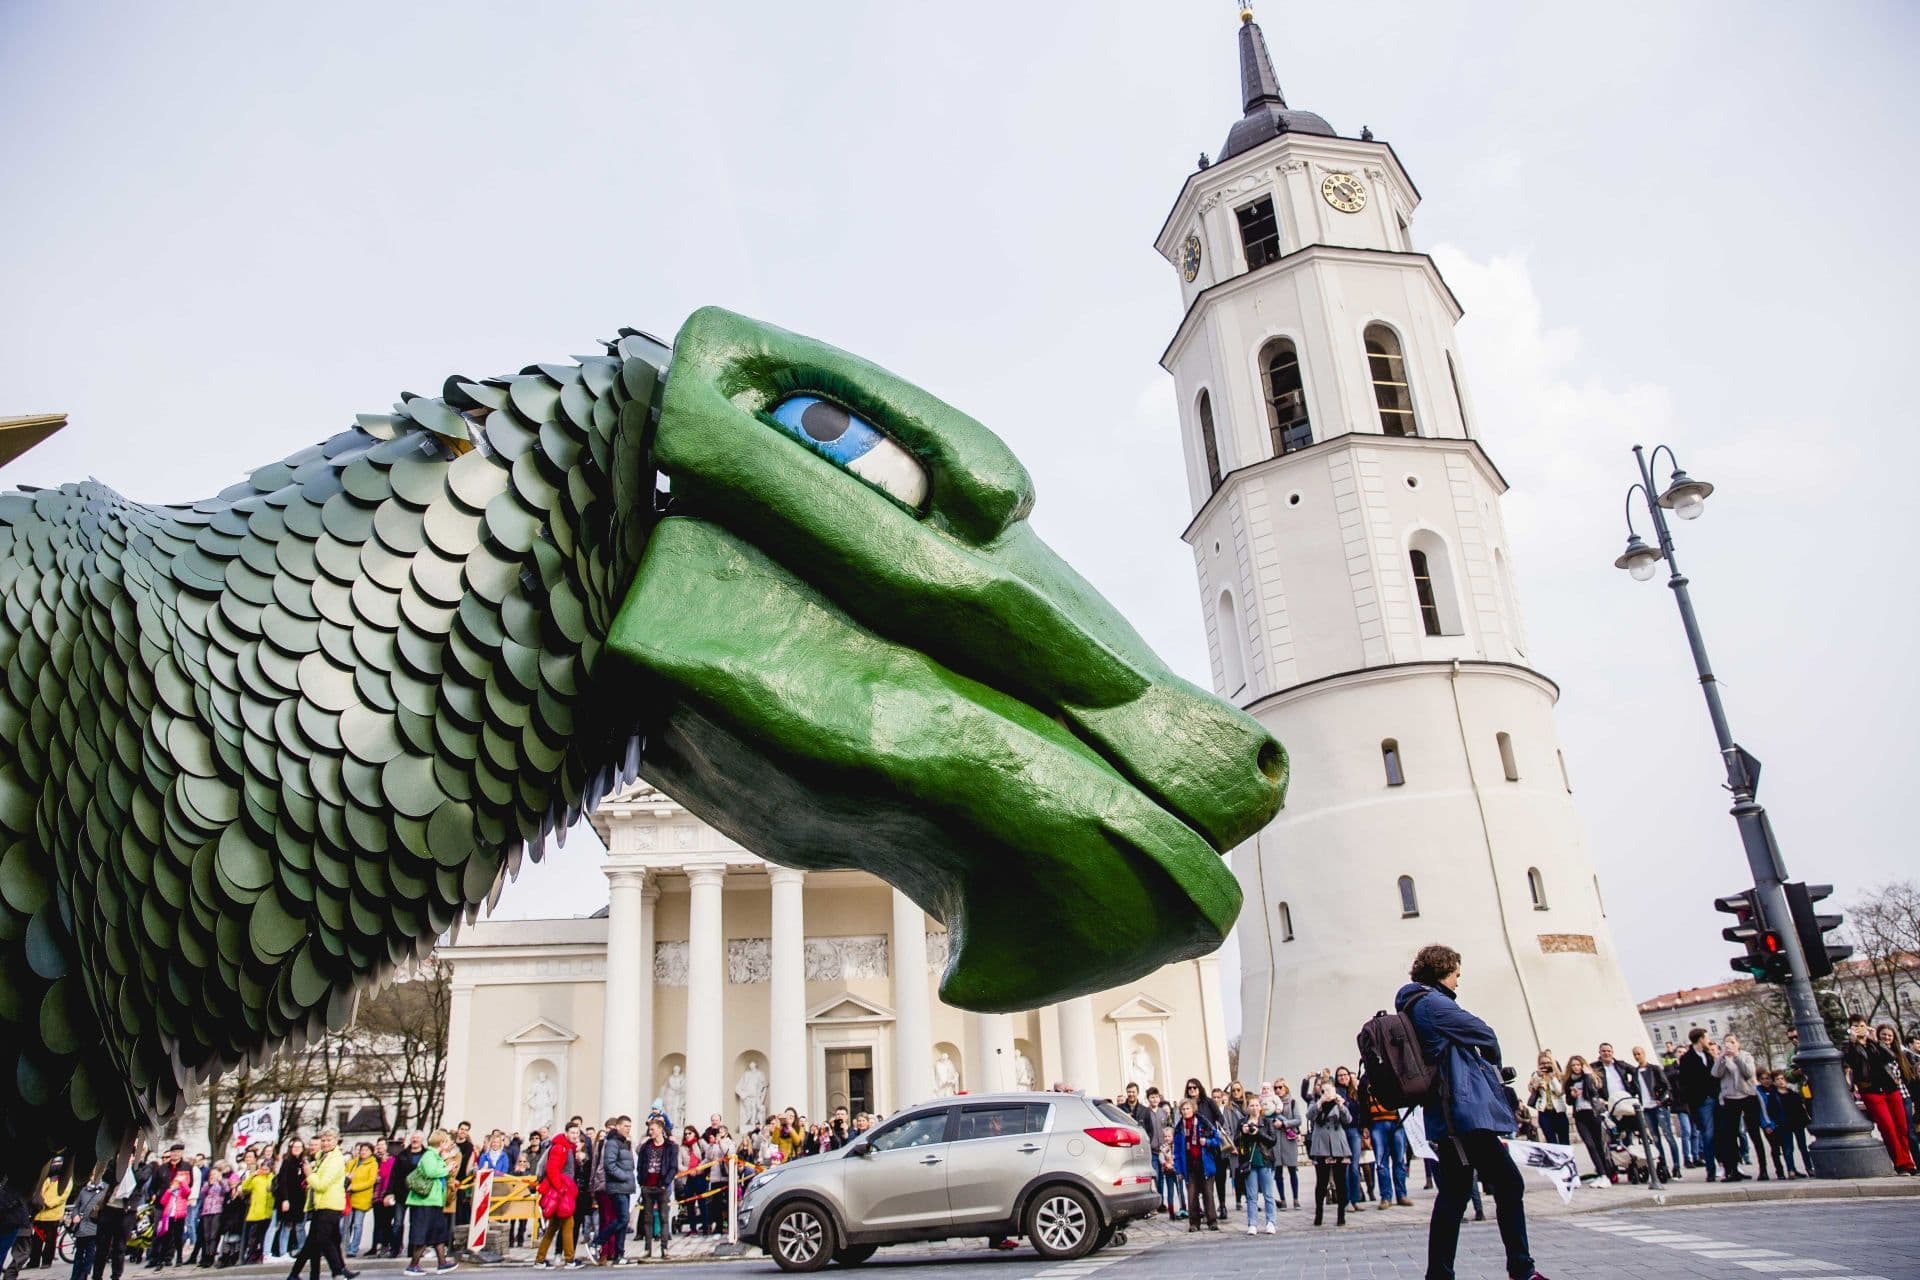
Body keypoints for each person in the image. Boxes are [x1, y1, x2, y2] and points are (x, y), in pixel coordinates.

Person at [1396, 943, 1546, 1280]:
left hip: (1444, 1114)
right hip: (1460, 1114)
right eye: (1456, 975)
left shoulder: (1411, 1003)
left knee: (1455, 1193)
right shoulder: (1433, 1004)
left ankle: (1440, 1274)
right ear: (1443, 971)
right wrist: (1494, 1067)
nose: (1458, 982)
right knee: (1508, 1184)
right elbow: (1485, 1033)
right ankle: (1521, 1269)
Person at [1842, 1018, 1916, 1174]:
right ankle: (1901, 1164)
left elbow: (1890, 1056)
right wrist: (1853, 1042)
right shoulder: (1849, 1046)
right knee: (1888, 1127)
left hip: (1890, 1088)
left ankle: (1908, 1162)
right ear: (1850, 1029)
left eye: (1862, 1026)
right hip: (1871, 1090)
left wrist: (1875, 1039)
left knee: (1902, 1127)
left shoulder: (1873, 1043)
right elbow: (1850, 1061)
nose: (1860, 1029)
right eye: (1856, 1027)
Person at [288, 1127, 352, 1280]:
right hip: (320, 1205)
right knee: (312, 1243)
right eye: (323, 1140)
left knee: (324, 1239)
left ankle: (337, 1272)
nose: (325, 1143)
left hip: (330, 1205)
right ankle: (299, 1275)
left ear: (336, 1141)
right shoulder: (323, 1157)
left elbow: (322, 1184)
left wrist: (309, 1174)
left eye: (329, 1140)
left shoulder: (335, 1159)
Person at [400, 1132, 457, 1278]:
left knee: (437, 1233)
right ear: (441, 1143)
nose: (449, 1144)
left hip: (434, 1200)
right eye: (447, 1142)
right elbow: (431, 1172)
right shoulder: (429, 1156)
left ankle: (442, 1263)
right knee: (423, 1234)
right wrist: (447, 1168)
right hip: (425, 1202)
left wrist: (445, 1163)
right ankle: (413, 1265)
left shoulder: (436, 1156)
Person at [1712, 1033, 1767, 1182]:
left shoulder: (1746, 1056)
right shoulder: (1722, 1058)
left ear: (1738, 1044)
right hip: (1730, 1098)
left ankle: (1763, 1170)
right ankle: (1733, 1170)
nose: (1729, 1045)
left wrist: (1736, 1056)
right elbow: (1715, 1074)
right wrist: (1721, 1059)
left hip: (1748, 1096)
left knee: (1754, 1133)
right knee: (1730, 1136)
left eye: (1732, 1042)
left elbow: (1749, 1073)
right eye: (1726, 1043)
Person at [531, 1123, 582, 1270]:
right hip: (561, 1193)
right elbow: (552, 1169)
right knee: (568, 1224)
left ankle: (540, 1259)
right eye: (572, 1132)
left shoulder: (566, 1147)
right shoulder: (560, 1148)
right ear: (566, 1133)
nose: (575, 1136)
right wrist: (561, 1189)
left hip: (561, 1191)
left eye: (577, 1133)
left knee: (553, 1228)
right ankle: (569, 1259)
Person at [1628, 1046, 1681, 1179]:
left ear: (1644, 1054)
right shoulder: (1635, 1072)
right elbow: (1633, 1089)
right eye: (1635, 1054)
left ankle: (1677, 1166)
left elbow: (1666, 1086)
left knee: (1668, 1136)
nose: (1637, 1056)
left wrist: (1661, 1099)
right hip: (1646, 1108)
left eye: (1639, 1053)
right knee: (1655, 1139)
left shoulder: (1654, 1069)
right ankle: (1663, 1166)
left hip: (1658, 1107)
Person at [1675, 1029, 1720, 1181]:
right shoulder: (1687, 1058)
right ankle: (1711, 1170)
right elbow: (1685, 1083)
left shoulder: (1708, 1055)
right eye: (1706, 1038)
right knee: (1707, 1134)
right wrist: (1695, 1101)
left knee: (1719, 1133)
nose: (1708, 1040)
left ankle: (1726, 1165)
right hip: (1701, 1101)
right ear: (1700, 1039)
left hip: (1715, 1098)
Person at [1170, 1099, 1220, 1232]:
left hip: (1204, 1162)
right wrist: (1179, 1169)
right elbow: (1177, 1151)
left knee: (1208, 1193)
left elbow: (1217, 1139)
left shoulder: (1203, 1122)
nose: (1186, 1111)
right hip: (1189, 1164)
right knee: (1192, 1195)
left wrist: (1207, 1142)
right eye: (1183, 1109)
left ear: (1193, 1109)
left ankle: (1212, 1221)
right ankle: (1194, 1223)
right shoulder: (1180, 1127)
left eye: (1188, 1109)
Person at [1306, 1083, 1350, 1227]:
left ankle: (1341, 1214)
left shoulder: (1339, 1102)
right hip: (1321, 1146)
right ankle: (1319, 1214)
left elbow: (1348, 1120)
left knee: (1340, 1181)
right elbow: (1309, 1115)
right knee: (1321, 1182)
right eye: (1324, 1091)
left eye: (1329, 1090)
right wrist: (1320, 1102)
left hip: (1338, 1144)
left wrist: (1341, 1105)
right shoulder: (1315, 1102)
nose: (1327, 1093)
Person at [1562, 1056, 1610, 1185]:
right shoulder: (1569, 1082)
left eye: (1578, 1065)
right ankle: (1602, 1174)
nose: (1576, 1068)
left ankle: (1606, 1173)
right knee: (1590, 1145)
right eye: (1573, 1065)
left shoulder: (1590, 1077)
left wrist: (1588, 1076)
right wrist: (1572, 1096)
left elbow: (1593, 1094)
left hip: (1592, 1113)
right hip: (1580, 1115)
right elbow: (1568, 1101)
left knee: (1599, 1145)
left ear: (1583, 1065)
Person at [634, 1119, 677, 1260]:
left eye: (652, 1129)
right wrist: (641, 1182)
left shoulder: (670, 1146)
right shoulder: (646, 1146)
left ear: (660, 1129)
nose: (650, 1132)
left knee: (664, 1218)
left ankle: (664, 1249)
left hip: (662, 1186)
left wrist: (665, 1183)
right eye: (649, 1130)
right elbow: (640, 1165)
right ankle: (648, 1249)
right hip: (647, 1186)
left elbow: (673, 1167)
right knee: (648, 1219)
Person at [594, 1117, 635, 1265]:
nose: (628, 1129)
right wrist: (624, 1177)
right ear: (617, 1127)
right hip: (617, 1186)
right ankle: (597, 1242)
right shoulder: (612, 1143)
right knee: (622, 1219)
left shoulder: (625, 1143)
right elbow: (609, 1165)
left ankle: (619, 1254)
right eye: (625, 1126)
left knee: (623, 1222)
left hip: (626, 1187)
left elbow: (628, 1164)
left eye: (629, 1126)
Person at [1236, 1095, 1277, 1234]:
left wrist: (1258, 1132)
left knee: (1268, 1194)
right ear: (1247, 1108)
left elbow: (1272, 1140)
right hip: (1249, 1162)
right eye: (1251, 1105)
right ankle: (1252, 1223)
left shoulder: (1267, 1121)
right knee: (1251, 1195)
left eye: (1256, 1105)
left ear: (1260, 1107)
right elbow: (1235, 1140)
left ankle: (1271, 1222)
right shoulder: (1242, 1122)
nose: (1254, 1108)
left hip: (1265, 1160)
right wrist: (1243, 1132)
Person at [64, 1169, 106, 1280]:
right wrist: (75, 1216)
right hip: (81, 1227)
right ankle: (75, 1276)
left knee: (90, 1254)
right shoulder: (84, 1190)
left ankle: (84, 1274)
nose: (94, 1177)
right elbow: (76, 1206)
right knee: (79, 1253)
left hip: (94, 1227)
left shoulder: (104, 1190)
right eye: (92, 1174)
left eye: (97, 1175)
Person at [270, 1141, 308, 1260]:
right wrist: (285, 1199)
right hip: (289, 1199)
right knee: (286, 1226)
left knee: (300, 1226)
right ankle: (283, 1252)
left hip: (300, 1200)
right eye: (294, 1147)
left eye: (299, 1147)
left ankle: (303, 1250)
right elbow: (283, 1182)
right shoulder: (287, 1162)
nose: (297, 1149)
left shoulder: (303, 1162)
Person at [1270, 1080, 1302, 1210]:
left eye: (1280, 1087)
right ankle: (1282, 1199)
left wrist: (1284, 1124)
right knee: (1278, 1171)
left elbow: (1298, 1120)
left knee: (1292, 1170)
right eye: (1275, 1087)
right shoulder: (1270, 1104)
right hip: (1276, 1140)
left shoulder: (1292, 1102)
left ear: (1286, 1088)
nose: (1278, 1090)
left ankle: (1296, 1198)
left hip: (1289, 1139)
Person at [343, 1144, 377, 1260]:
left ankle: (353, 1248)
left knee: (358, 1224)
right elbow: (345, 1173)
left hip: (362, 1197)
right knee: (346, 1224)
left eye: (366, 1150)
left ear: (371, 1152)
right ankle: (345, 1246)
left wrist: (354, 1187)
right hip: (349, 1197)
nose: (363, 1152)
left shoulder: (373, 1164)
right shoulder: (353, 1162)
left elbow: (370, 1181)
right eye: (362, 1150)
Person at [240, 1155, 273, 1266]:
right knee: (253, 1237)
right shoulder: (256, 1179)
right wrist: (252, 1176)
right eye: (262, 1169)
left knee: (263, 1236)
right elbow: (245, 1188)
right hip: (255, 1212)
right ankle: (250, 1256)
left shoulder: (272, 1178)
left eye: (266, 1169)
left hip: (267, 1212)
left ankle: (260, 1256)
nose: (264, 1171)